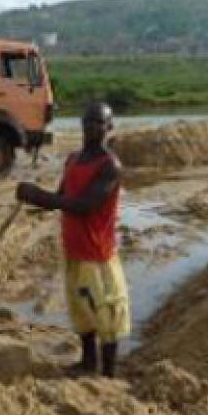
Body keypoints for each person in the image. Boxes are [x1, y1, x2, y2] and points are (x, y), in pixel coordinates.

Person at [16, 102, 129, 378]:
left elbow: (85, 205)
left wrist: (38, 195)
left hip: (98, 252)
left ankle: (108, 373)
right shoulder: (73, 160)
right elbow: (62, 198)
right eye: (88, 122)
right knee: (81, 309)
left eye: (99, 123)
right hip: (74, 247)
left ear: (109, 127)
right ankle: (88, 362)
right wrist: (33, 197)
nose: (92, 127)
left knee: (106, 312)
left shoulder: (110, 166)